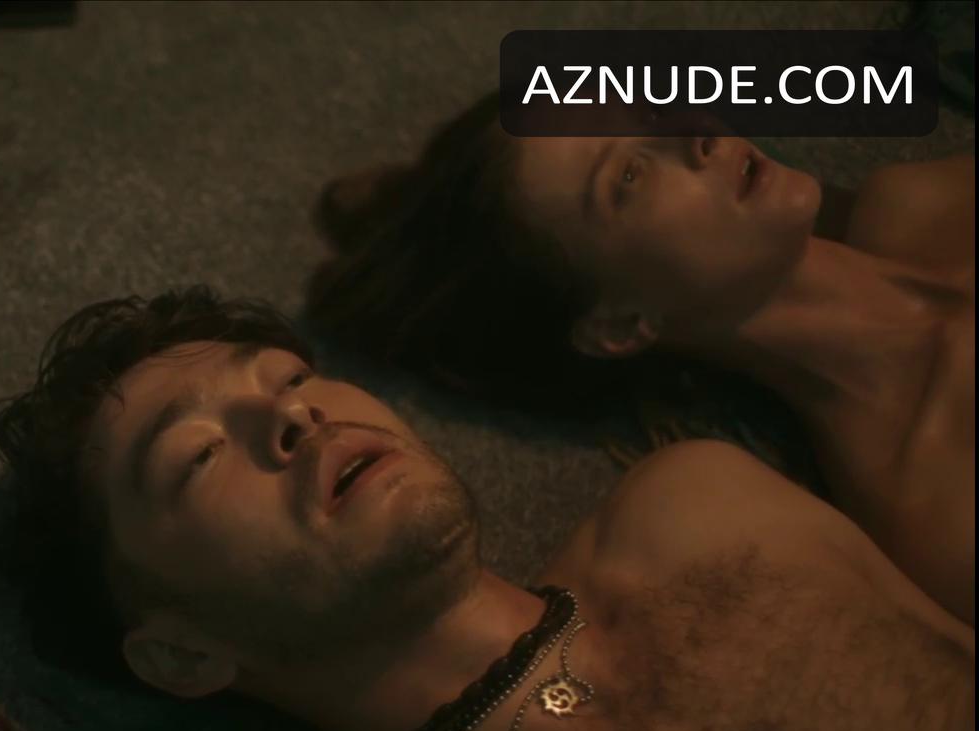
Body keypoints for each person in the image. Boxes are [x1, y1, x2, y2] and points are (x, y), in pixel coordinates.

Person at [0, 287, 974, 731]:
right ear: (184, 655)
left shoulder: (700, 508)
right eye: (199, 457)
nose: (290, 417)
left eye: (288, 378)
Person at [303, 93, 974, 625]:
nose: (691, 132)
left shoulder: (915, 201)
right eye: (628, 175)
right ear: (620, 325)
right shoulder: (933, 511)